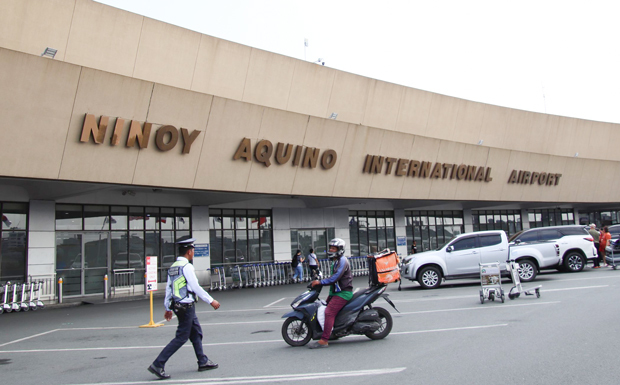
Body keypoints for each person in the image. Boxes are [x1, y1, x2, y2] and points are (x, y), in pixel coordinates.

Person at [148, 238, 221, 380]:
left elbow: (169, 289)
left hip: (178, 306)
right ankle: (158, 364)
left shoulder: (173, 267)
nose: (193, 253)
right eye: (193, 251)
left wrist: (167, 307)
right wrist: (211, 300)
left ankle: (202, 360)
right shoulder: (187, 267)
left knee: (196, 333)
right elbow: (195, 287)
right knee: (181, 337)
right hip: (186, 306)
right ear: (189, 252)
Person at [309, 238, 353, 349]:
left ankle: (324, 340)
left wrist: (320, 282)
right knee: (324, 307)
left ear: (340, 250)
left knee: (328, 313)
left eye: (333, 248)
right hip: (336, 292)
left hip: (343, 293)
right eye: (330, 248)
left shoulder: (343, 261)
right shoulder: (336, 261)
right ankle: (333, 331)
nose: (331, 250)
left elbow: (334, 278)